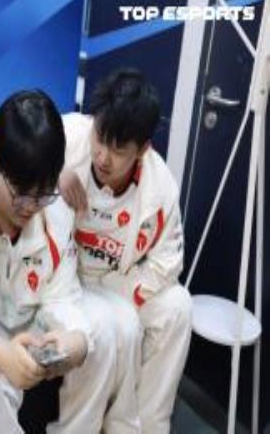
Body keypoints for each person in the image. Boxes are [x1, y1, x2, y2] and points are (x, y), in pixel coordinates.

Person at [0, 90, 141, 434]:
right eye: (20, 193)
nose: (29, 207)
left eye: (42, 194)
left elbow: (62, 296)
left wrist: (75, 340)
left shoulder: (56, 215)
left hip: (27, 329)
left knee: (104, 329)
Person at [59, 68, 193, 434]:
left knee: (178, 308)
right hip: (66, 277)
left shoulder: (161, 186)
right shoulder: (67, 137)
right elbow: (20, 152)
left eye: (119, 150)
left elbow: (167, 261)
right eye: (100, 140)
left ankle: (147, 425)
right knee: (111, 324)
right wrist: (54, 169)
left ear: (143, 149)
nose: (103, 157)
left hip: (120, 282)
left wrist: (129, 296)